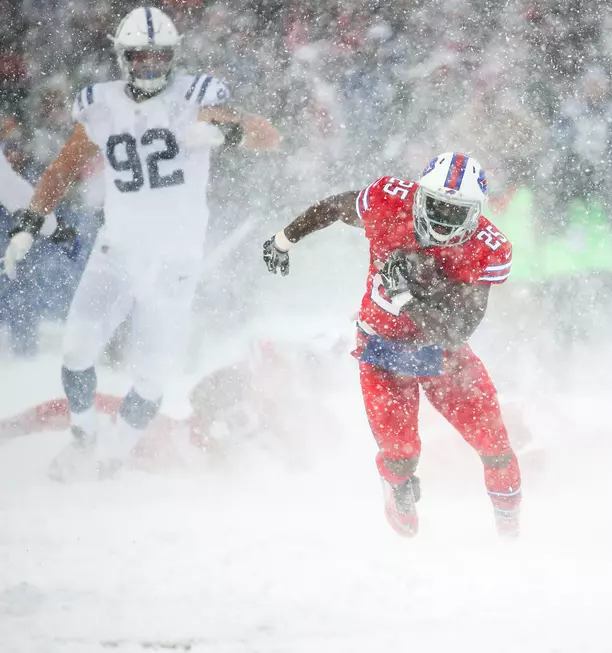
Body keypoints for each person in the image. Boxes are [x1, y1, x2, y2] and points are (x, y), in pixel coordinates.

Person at [1, 6, 280, 479]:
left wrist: (224, 132)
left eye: (157, 58)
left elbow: (267, 136)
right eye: (139, 58)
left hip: (174, 260)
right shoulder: (100, 103)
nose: (148, 67)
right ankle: (84, 436)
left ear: (170, 58)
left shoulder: (194, 96)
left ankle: (115, 455)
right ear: (122, 57)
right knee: (75, 349)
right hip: (118, 251)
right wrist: (29, 223)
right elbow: (64, 168)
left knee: (151, 376)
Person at [262, 152, 522, 538]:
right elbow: (336, 207)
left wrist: (407, 299)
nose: (442, 219)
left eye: (455, 212)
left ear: (475, 213)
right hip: (382, 351)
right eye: (436, 206)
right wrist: (284, 239)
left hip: (443, 355)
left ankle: (511, 534)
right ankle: (397, 484)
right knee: (401, 459)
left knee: (495, 446)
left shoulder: (488, 248)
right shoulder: (388, 199)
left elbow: (456, 331)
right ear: (418, 195)